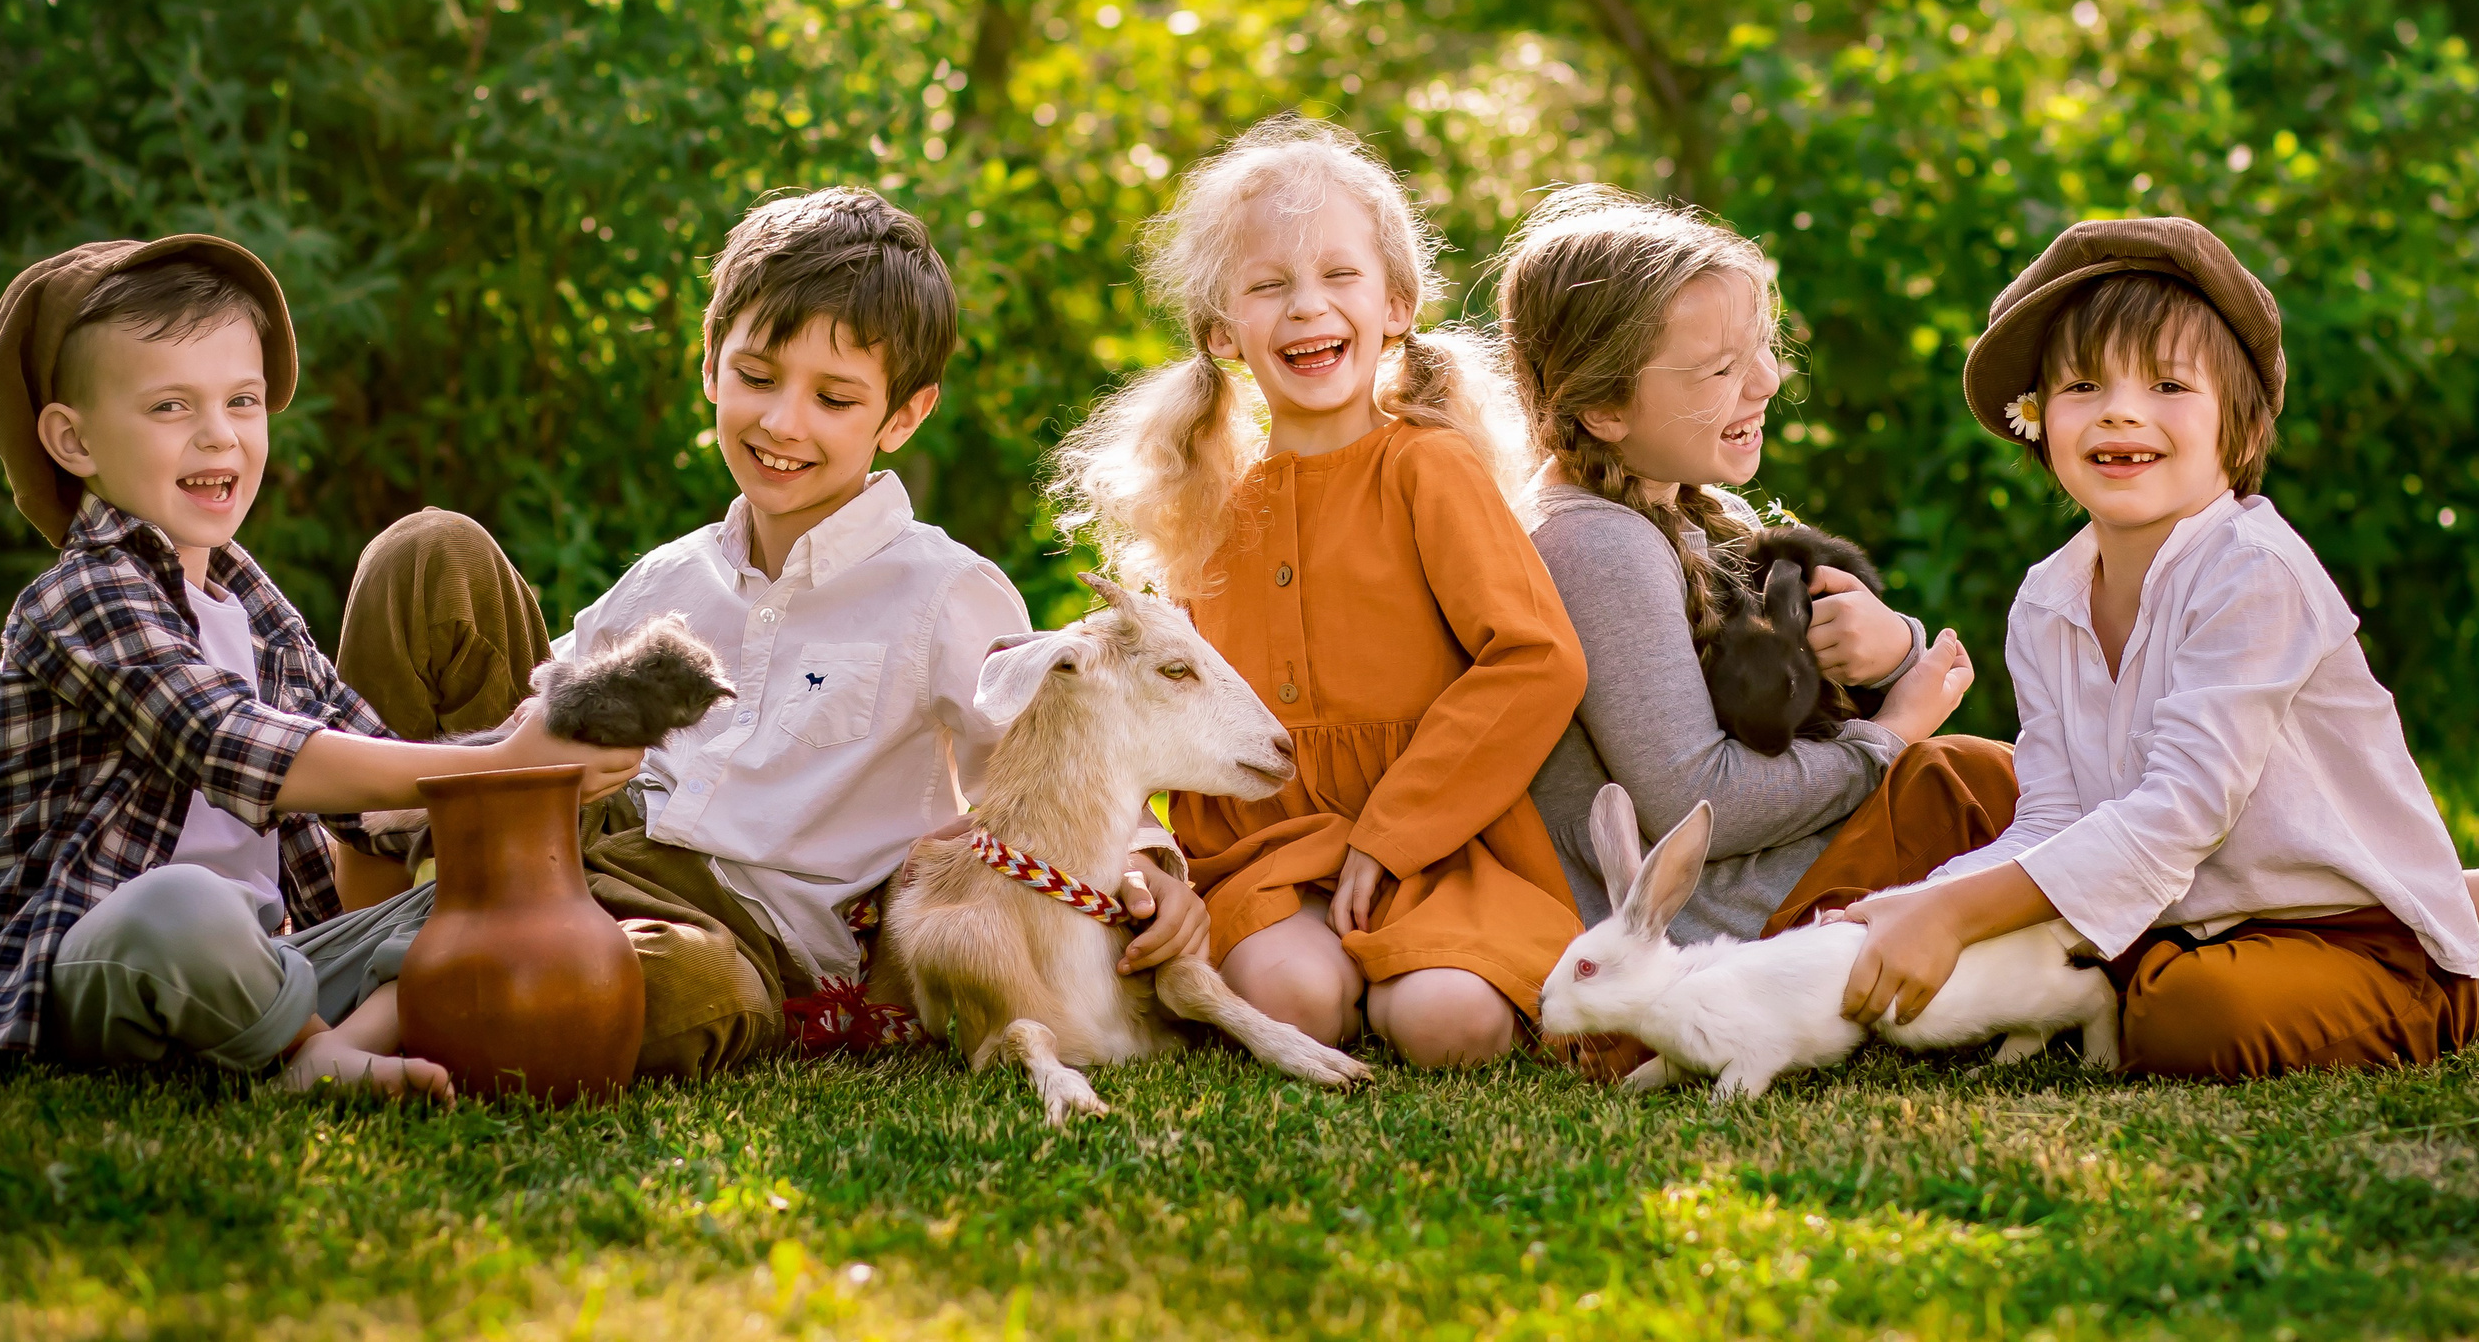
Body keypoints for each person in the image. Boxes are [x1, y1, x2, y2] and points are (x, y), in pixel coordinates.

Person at [331, 187, 1204, 1079]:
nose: (784, 423)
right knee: (428, 551)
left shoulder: (945, 592)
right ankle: (349, 932)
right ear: (710, 365)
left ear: (903, 416)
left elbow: (1049, 763)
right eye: (756, 377)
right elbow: (532, 714)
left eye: (834, 398)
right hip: (568, 838)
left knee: (683, 988)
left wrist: (1146, 865)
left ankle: (436, 984)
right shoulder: (669, 575)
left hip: (733, 934)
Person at [0, 236, 640, 1099]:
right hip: (102, 964)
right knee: (182, 903)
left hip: (271, 963)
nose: (219, 435)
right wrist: (495, 764)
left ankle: (326, 1050)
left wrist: (532, 763)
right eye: (170, 407)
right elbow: (230, 743)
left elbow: (374, 785)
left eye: (243, 400)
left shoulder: (252, 605)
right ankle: (313, 1047)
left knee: (488, 888)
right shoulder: (80, 598)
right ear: (73, 440)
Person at [1822, 216, 2479, 1077]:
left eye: (2169, 384)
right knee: (1954, 815)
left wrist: (1954, 918)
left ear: (2241, 428)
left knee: (2190, 1019)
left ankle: (2457, 961)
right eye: (2083, 385)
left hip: (2340, 928)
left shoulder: (2254, 571)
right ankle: (1824, 958)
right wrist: (1917, 906)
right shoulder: (2047, 600)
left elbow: (2180, 813)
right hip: (2175, 915)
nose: (2121, 409)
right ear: (2035, 421)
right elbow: (2053, 819)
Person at [1048, 115, 1589, 1067]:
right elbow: (1148, 712)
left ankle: (1407, 971)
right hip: (1267, 851)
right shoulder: (1202, 506)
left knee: (1449, 1024)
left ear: (1396, 305)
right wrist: (1146, 856)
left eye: (1340, 275)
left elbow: (1537, 659)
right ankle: (1336, 975)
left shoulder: (1429, 469)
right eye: (1269, 286)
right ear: (1222, 330)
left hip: (1435, 841)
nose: (1307, 307)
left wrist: (1393, 835)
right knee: (1289, 999)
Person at [1500, 189, 1985, 972]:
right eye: (1722, 368)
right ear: (1604, 409)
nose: (1765, 380)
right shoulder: (1596, 546)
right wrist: (1890, 738)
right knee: (1974, 788)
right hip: (1721, 931)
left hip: (1782, 882)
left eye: (1762, 347)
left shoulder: (1698, 507)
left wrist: (1888, 650)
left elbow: (1816, 701)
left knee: (1998, 790)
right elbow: (1705, 804)